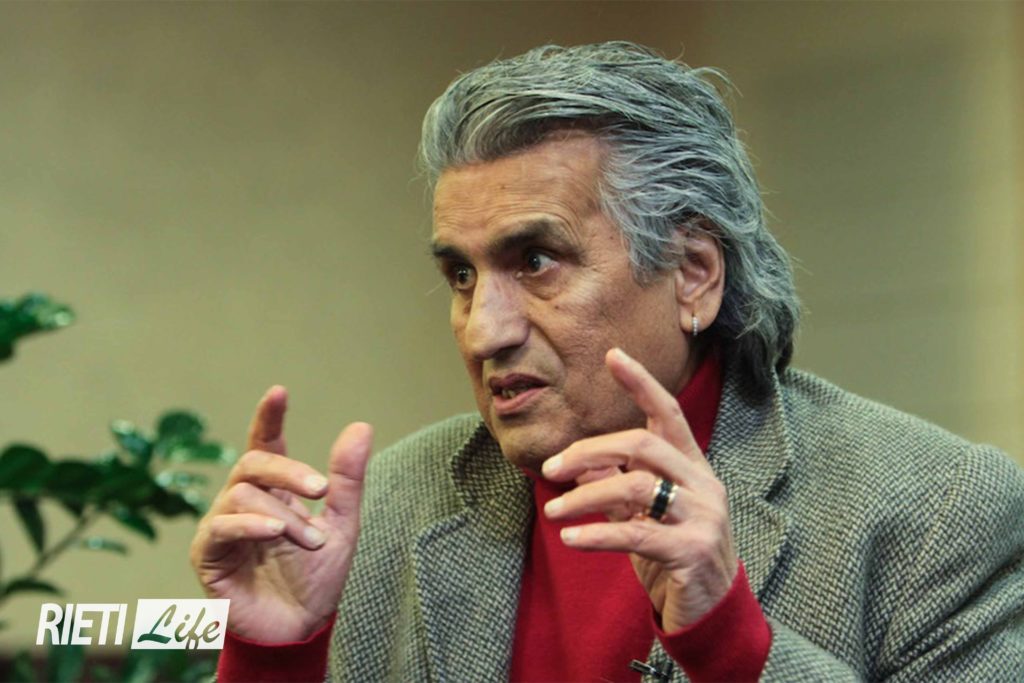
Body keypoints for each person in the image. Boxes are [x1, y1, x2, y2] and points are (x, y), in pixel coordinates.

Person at [189, 42, 1024, 682]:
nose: (483, 332)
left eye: (536, 261)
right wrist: (273, 659)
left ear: (693, 273)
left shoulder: (938, 510)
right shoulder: (390, 508)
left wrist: (730, 645)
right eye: (461, 276)